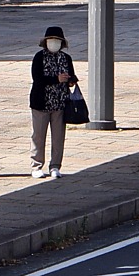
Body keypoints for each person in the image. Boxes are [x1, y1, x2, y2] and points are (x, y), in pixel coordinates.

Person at [28, 26, 80, 180]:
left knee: (58, 136)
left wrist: (70, 80)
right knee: (38, 135)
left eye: (57, 41)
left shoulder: (66, 58)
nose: (54, 43)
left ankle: (55, 166)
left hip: (60, 103)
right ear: (45, 42)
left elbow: (72, 75)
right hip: (41, 103)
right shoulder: (39, 57)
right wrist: (55, 79)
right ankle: (37, 165)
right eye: (51, 41)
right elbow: (37, 79)